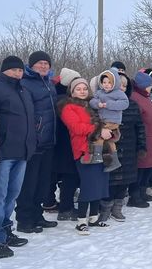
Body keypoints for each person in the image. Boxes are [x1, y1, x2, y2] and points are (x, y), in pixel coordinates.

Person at [0, 55, 36, 258]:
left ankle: (6, 231)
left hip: (21, 152)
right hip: (2, 153)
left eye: (20, 70)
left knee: (12, 195)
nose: (17, 73)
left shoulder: (23, 90)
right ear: (4, 70)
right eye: (13, 70)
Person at [58, 77, 110, 234]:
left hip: (99, 148)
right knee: (88, 185)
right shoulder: (68, 107)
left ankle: (93, 217)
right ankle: (81, 220)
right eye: (78, 89)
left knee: (99, 184)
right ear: (72, 91)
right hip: (83, 150)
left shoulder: (92, 105)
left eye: (85, 89)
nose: (82, 92)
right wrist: (98, 130)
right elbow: (76, 127)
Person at [16, 51, 59, 233]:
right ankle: (24, 219)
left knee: (42, 181)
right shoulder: (25, 83)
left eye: (46, 63)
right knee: (29, 182)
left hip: (49, 140)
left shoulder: (49, 83)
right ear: (31, 65)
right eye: (40, 63)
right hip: (34, 141)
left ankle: (37, 214)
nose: (43, 66)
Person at [107, 73, 146, 221]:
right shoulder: (104, 103)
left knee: (125, 180)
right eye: (119, 85)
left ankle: (117, 208)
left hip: (129, 147)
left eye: (124, 85)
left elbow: (140, 127)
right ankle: (105, 207)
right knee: (110, 179)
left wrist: (142, 146)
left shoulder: (133, 104)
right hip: (110, 147)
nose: (122, 88)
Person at [128, 72, 152, 206]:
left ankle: (142, 192)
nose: (151, 87)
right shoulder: (135, 97)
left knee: (148, 168)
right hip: (145, 139)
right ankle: (135, 196)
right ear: (143, 85)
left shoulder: (145, 96)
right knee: (141, 168)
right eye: (149, 85)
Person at [52, 67, 82, 221]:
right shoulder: (63, 100)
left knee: (68, 176)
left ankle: (66, 205)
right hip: (66, 144)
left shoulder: (58, 96)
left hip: (64, 144)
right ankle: (66, 208)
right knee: (69, 176)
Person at [88, 67, 127, 171]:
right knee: (109, 140)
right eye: (104, 82)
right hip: (102, 120)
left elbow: (124, 104)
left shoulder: (119, 93)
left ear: (115, 83)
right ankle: (115, 161)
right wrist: (98, 104)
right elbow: (92, 101)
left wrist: (109, 104)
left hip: (112, 121)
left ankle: (97, 156)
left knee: (99, 135)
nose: (106, 84)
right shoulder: (99, 93)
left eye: (109, 82)